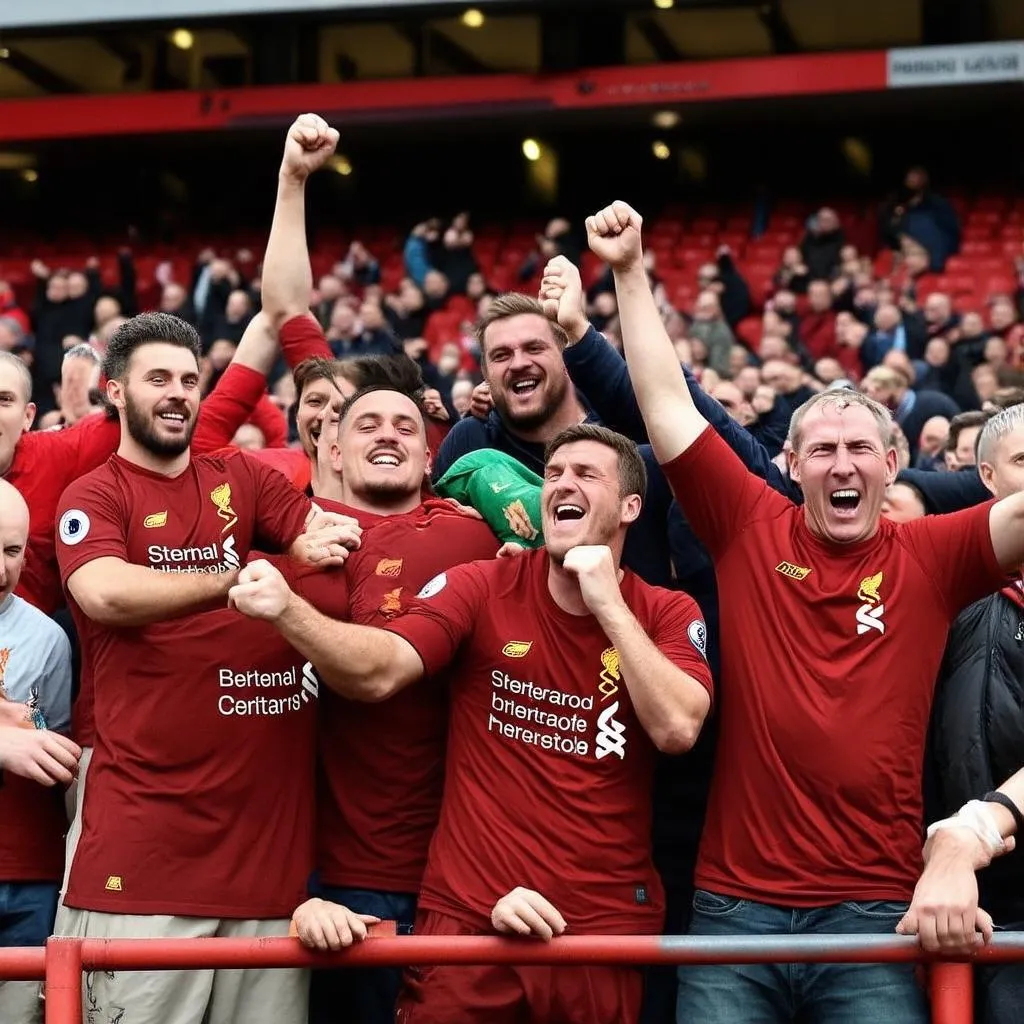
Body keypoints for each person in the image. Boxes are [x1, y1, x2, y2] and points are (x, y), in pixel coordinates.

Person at [590, 199, 1024, 1024]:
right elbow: (665, 402)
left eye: (861, 447)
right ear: (790, 464)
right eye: (821, 449)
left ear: (893, 461)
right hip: (734, 914)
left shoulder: (931, 556)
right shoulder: (749, 524)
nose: (842, 463)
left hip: (873, 913)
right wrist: (631, 271)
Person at [230, 422, 713, 1024]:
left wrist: (608, 604)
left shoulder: (666, 610)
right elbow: (380, 671)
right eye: (554, 473)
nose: (563, 483)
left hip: (598, 926)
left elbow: (676, 728)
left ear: (630, 507)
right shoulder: (484, 585)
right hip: (471, 920)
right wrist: (289, 611)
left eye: (587, 475)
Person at [53, 311, 358, 1024]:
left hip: (268, 882)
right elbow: (103, 592)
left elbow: (329, 539)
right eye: (158, 378)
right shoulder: (96, 495)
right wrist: (239, 576)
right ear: (115, 392)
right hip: (143, 869)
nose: (178, 394)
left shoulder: (243, 477)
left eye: (191, 380)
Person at [295, 383, 502, 1024]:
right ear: (331, 445)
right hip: (316, 878)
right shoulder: (281, 534)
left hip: (458, 876)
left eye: (406, 427)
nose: (388, 434)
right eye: (369, 425)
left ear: (431, 457)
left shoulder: (466, 537)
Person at [922, 404, 1024, 1022]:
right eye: (1023, 461)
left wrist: (982, 826)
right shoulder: (944, 582)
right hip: (958, 896)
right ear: (986, 476)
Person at [0, 479, 73, 1024]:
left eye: (11, 550)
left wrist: (33, 727)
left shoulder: (47, 637)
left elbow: (58, 755)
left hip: (29, 869)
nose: (0, 568)